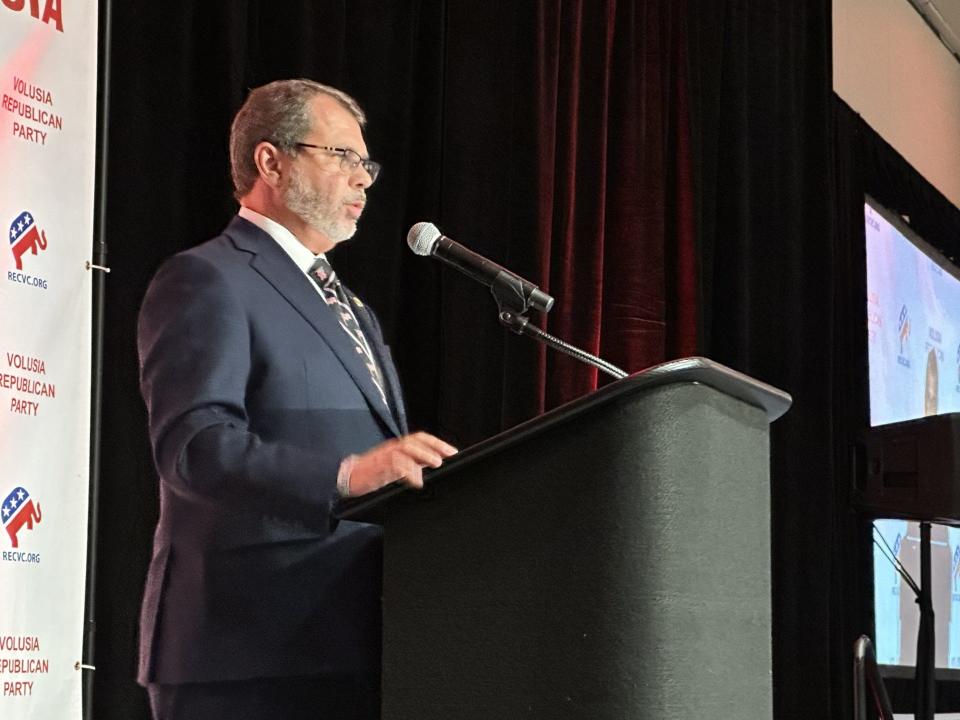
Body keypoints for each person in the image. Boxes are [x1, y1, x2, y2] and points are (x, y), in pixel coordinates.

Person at [136, 79, 457, 720]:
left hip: (349, 640)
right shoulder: (207, 278)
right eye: (341, 156)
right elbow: (196, 448)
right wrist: (347, 474)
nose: (363, 179)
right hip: (244, 650)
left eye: (366, 164)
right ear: (270, 162)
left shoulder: (352, 307)